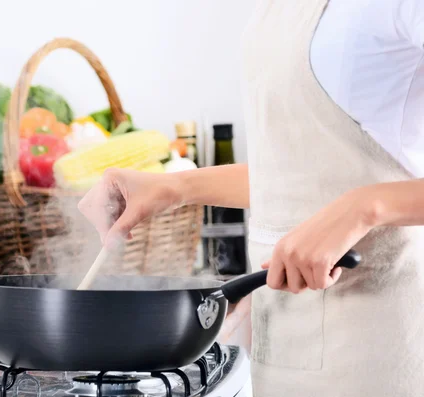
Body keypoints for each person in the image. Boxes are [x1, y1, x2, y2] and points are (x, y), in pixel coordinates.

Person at [78, 0, 424, 396]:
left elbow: (352, 193)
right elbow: (300, 176)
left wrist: (364, 208)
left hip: (380, 344)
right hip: (284, 338)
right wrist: (175, 188)